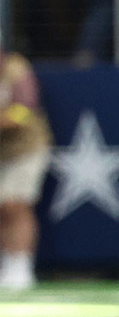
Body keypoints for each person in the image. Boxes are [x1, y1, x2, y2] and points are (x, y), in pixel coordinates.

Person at [0, 48, 52, 292]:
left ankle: (21, 267)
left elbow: (24, 111)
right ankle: (8, 263)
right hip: (2, 152)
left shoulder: (16, 68)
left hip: (27, 148)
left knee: (15, 204)